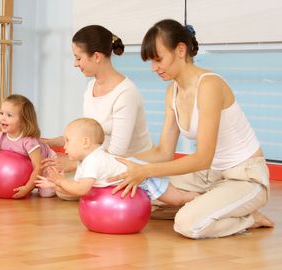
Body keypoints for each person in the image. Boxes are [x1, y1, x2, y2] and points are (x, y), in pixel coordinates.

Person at [109, 19, 274, 239]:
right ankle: (212, 203)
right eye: (151, 61)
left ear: (180, 50)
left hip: (244, 177)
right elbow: (163, 152)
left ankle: (250, 218)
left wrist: (145, 171)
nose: (153, 68)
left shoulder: (209, 85)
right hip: (208, 176)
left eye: (158, 59)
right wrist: (116, 160)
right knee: (145, 196)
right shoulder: (172, 92)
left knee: (187, 224)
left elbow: (203, 157)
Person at [43, 25, 153, 199]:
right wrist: (47, 142)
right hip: (100, 161)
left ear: (96, 57)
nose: (74, 63)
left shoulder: (126, 93)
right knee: (62, 190)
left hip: (125, 164)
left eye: (78, 58)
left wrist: (72, 164)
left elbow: (117, 152)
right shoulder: (90, 88)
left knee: (69, 187)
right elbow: (86, 132)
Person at [36, 118, 198, 205]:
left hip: (144, 176)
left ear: (85, 142)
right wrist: (54, 184)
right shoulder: (84, 161)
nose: (64, 146)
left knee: (177, 199)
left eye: (68, 141)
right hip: (131, 178)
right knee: (173, 199)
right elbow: (74, 188)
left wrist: (61, 180)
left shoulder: (94, 161)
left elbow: (81, 190)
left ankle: (195, 197)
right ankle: (190, 196)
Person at [0, 94, 57, 199]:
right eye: (1, 113)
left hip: (46, 161)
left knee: (46, 194)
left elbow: (38, 166)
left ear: (23, 121)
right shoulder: (0, 137)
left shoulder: (29, 142)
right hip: (27, 166)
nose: (2, 118)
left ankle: (61, 182)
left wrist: (28, 188)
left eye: (9, 115)